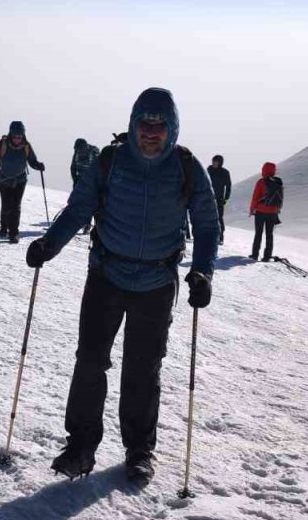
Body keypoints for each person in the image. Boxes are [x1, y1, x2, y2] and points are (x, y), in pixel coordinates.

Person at [25, 88, 219, 484]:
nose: (150, 133)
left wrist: (203, 272)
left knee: (142, 370)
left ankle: (139, 451)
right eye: (144, 125)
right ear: (133, 126)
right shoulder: (110, 161)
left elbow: (206, 223)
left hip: (156, 282)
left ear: (172, 129)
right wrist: (49, 244)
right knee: (90, 361)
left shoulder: (186, 167)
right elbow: (79, 207)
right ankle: (80, 447)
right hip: (107, 274)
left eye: (159, 126)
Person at [0, 121, 45, 243]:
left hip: (20, 180)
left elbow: (32, 161)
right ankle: (3, 228)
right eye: (15, 136)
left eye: (20, 136)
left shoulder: (26, 146)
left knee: (15, 206)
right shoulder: (3, 144)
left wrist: (38, 166)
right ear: (10, 134)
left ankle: (14, 233)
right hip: (4, 180)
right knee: (6, 205)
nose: (17, 139)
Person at [249, 161, 283, 261]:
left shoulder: (261, 182)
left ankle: (255, 254)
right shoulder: (278, 182)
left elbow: (255, 197)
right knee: (269, 235)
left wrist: (252, 209)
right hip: (273, 212)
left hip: (261, 211)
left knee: (258, 234)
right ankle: (267, 256)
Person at [70, 138, 100, 234]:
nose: (78, 151)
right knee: (77, 201)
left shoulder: (93, 155)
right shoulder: (76, 153)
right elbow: (73, 167)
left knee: (89, 204)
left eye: (79, 149)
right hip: (80, 180)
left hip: (92, 183)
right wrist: (75, 180)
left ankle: (87, 224)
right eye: (76, 149)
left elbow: (99, 170)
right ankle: (77, 222)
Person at [207, 155, 232, 245]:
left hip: (219, 200)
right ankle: (208, 237)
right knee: (208, 218)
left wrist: (226, 198)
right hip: (208, 199)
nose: (213, 163)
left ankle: (220, 237)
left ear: (220, 162)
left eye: (216, 161)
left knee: (219, 218)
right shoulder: (208, 170)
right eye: (213, 161)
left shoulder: (225, 172)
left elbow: (228, 186)